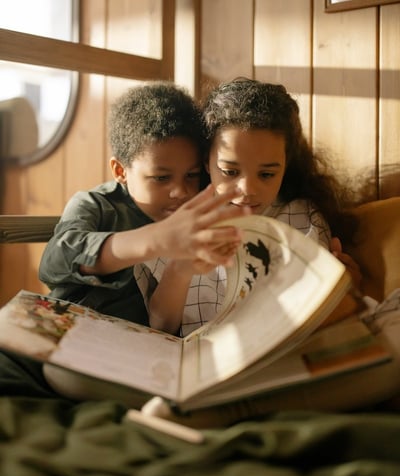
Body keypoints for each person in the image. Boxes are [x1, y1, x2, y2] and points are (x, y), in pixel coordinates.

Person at [135, 77, 361, 336]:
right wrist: (180, 269)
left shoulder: (303, 218)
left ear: (285, 165)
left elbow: (321, 312)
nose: (248, 189)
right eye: (230, 171)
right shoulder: (181, 220)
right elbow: (161, 325)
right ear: (206, 162)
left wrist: (345, 289)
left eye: (266, 175)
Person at [38, 82, 249, 325]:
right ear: (120, 171)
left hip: (149, 349)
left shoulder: (200, 212)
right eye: (161, 178)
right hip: (65, 331)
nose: (180, 191)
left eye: (191, 175)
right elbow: (54, 261)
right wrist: (154, 240)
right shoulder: (96, 204)